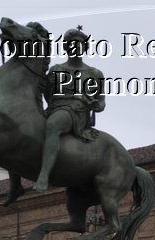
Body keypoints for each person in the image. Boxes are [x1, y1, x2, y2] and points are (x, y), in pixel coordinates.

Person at [35, 25, 105, 189]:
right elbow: (45, 93)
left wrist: (95, 104)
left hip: (76, 112)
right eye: (72, 43)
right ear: (66, 47)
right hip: (54, 108)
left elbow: (101, 103)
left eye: (79, 44)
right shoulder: (55, 70)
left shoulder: (95, 73)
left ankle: (44, 176)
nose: (76, 46)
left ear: (84, 47)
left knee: (53, 125)